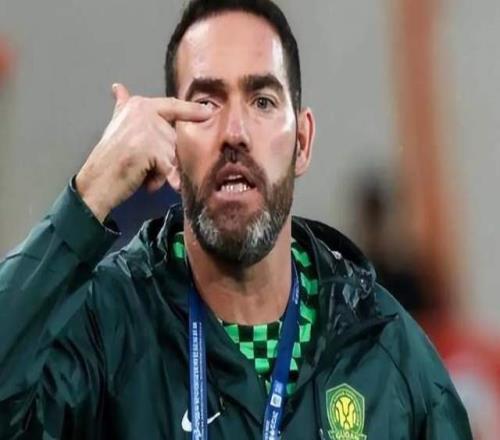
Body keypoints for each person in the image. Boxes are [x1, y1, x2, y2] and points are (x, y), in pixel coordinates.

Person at [0, 1, 472, 439]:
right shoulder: (106, 328)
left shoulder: (387, 353)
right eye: (206, 104)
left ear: (302, 143)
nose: (234, 132)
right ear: (171, 147)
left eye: (262, 100)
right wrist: (90, 194)